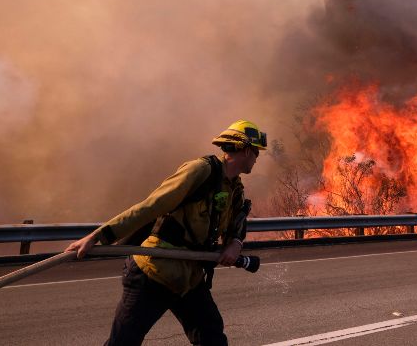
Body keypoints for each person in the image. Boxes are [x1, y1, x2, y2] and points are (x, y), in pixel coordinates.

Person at [65, 120, 267, 346]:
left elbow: (236, 227)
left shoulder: (235, 189)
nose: (257, 158)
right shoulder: (201, 171)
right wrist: (99, 236)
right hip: (155, 270)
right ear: (247, 150)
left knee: (212, 338)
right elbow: (152, 206)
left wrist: (235, 244)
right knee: (123, 342)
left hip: (189, 277)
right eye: (256, 152)